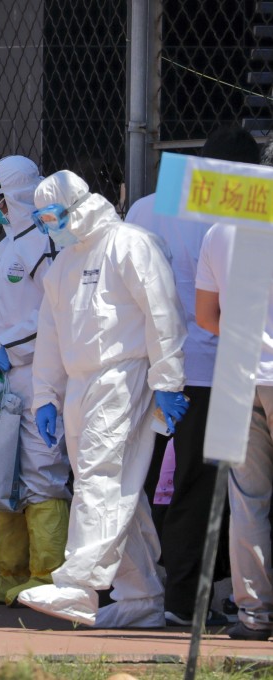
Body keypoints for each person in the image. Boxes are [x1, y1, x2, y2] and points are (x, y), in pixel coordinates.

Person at [17, 170, 188, 629]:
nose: (47, 225)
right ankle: (142, 597)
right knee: (113, 487)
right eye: (40, 218)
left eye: (51, 215)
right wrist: (45, 397)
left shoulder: (130, 243)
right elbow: (51, 338)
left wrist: (168, 382)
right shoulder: (64, 265)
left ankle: (78, 585)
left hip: (125, 375)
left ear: (77, 206)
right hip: (80, 384)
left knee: (100, 476)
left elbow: (162, 312)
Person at [125, 124, 259, 626]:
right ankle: (190, 600)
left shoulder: (145, 207)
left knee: (155, 482)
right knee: (206, 490)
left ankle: (161, 591)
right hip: (216, 369)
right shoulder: (239, 212)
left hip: (155, 369)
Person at [0, 156, 70, 606]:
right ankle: (10, 576)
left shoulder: (44, 243)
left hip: (37, 375)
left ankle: (47, 577)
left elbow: (58, 310)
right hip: (1, 384)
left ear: (20, 194)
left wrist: (14, 347)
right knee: (4, 477)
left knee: (43, 474)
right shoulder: (2, 250)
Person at [195, 200, 273, 640]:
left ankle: (254, 616)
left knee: (247, 503)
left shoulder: (220, 230)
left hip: (239, 377)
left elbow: (206, 317)